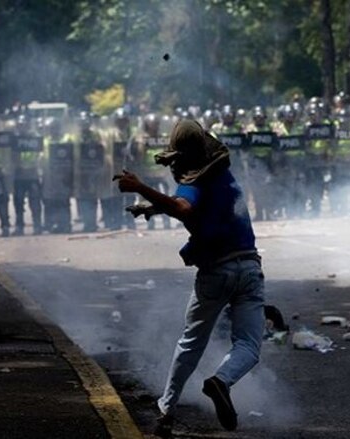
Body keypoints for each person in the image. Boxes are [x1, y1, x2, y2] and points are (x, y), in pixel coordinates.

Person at [114, 120, 265, 438]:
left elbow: (185, 207)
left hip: (216, 272)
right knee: (249, 345)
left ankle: (166, 410)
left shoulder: (191, 184)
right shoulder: (225, 177)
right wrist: (154, 209)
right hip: (249, 268)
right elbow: (203, 210)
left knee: (191, 344)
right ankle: (221, 381)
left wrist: (141, 187)